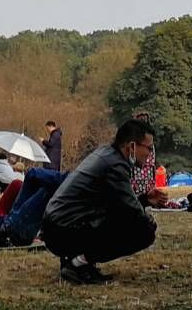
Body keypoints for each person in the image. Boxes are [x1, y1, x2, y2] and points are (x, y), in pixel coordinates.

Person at [42, 117, 159, 285]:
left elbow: (117, 205)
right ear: (132, 146)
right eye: (149, 148)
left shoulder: (106, 154)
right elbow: (130, 211)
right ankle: (77, 263)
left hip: (57, 225)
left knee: (130, 220)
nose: (149, 154)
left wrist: (145, 200)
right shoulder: (115, 165)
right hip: (63, 229)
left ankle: (78, 260)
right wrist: (148, 220)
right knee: (144, 230)